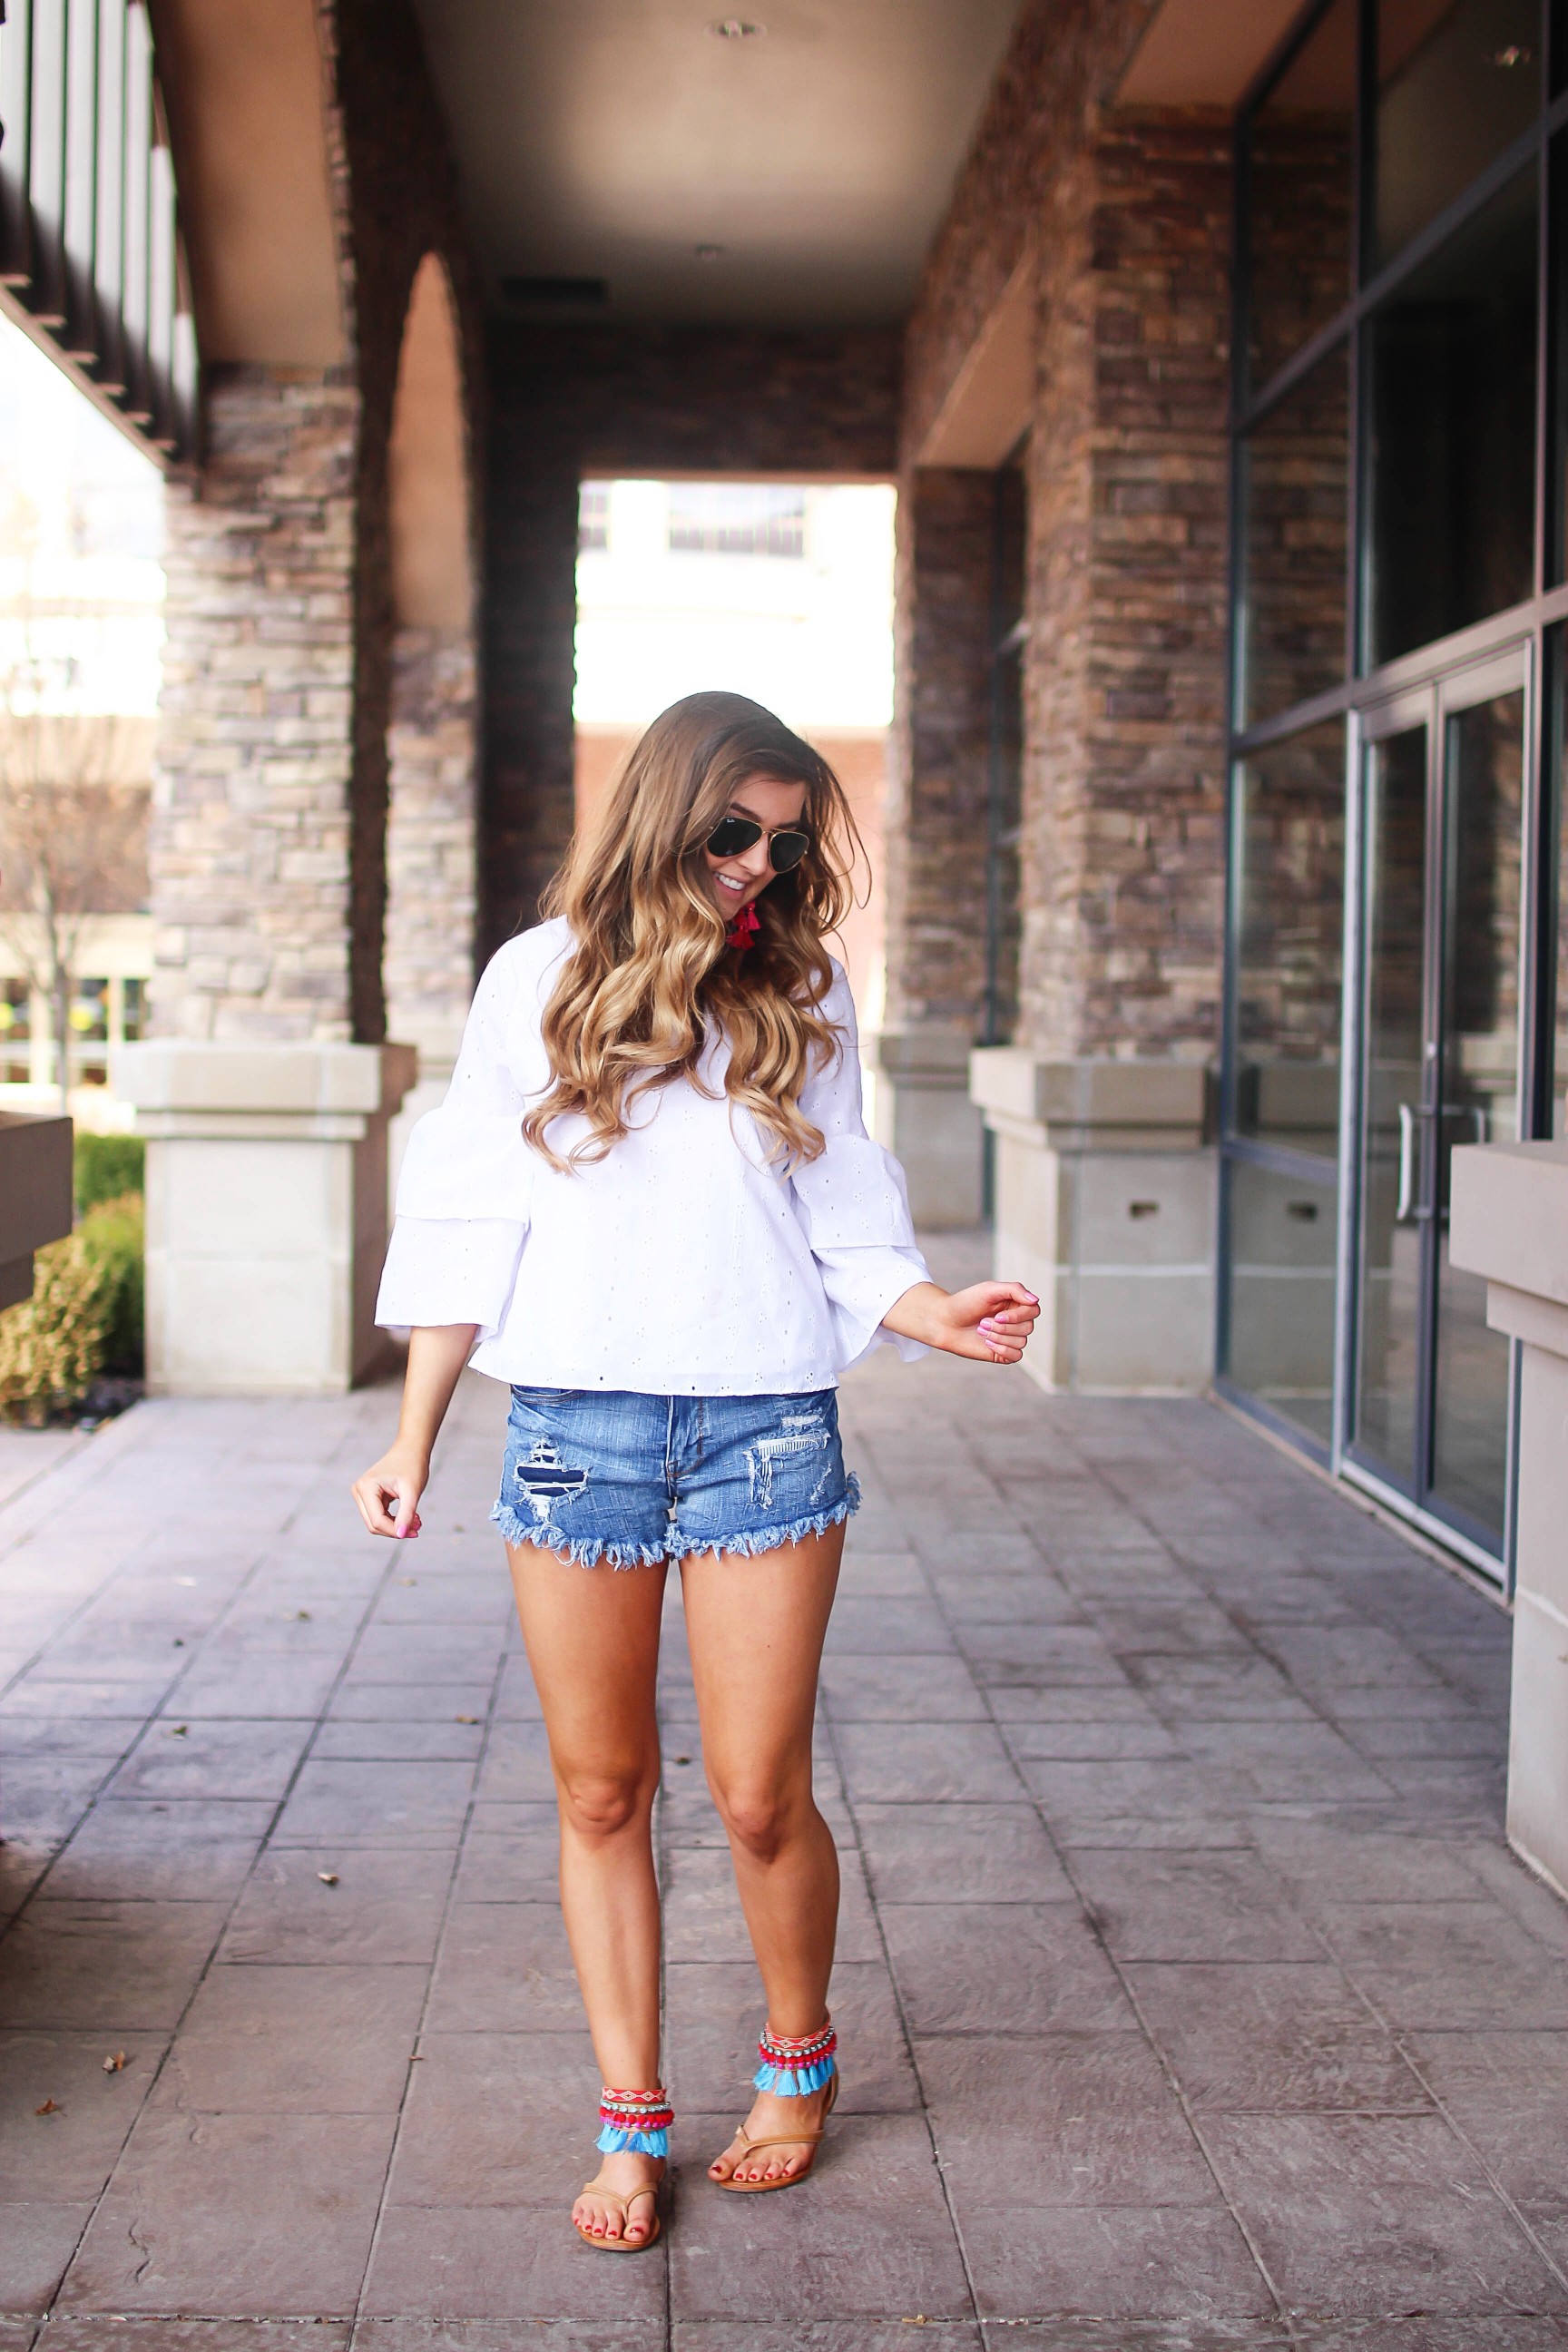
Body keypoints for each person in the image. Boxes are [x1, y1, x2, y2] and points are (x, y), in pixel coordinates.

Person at [352, 691, 1038, 2253]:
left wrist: (939, 1311)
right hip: (575, 1431)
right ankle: (630, 2120)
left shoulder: (802, 981)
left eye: (786, 841)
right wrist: (413, 1437)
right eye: (734, 831)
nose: (757, 865)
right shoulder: (541, 976)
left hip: (765, 1424)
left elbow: (847, 1215)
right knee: (601, 1791)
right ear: (663, 813)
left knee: (754, 1793)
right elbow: (471, 1219)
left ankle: (797, 2064)